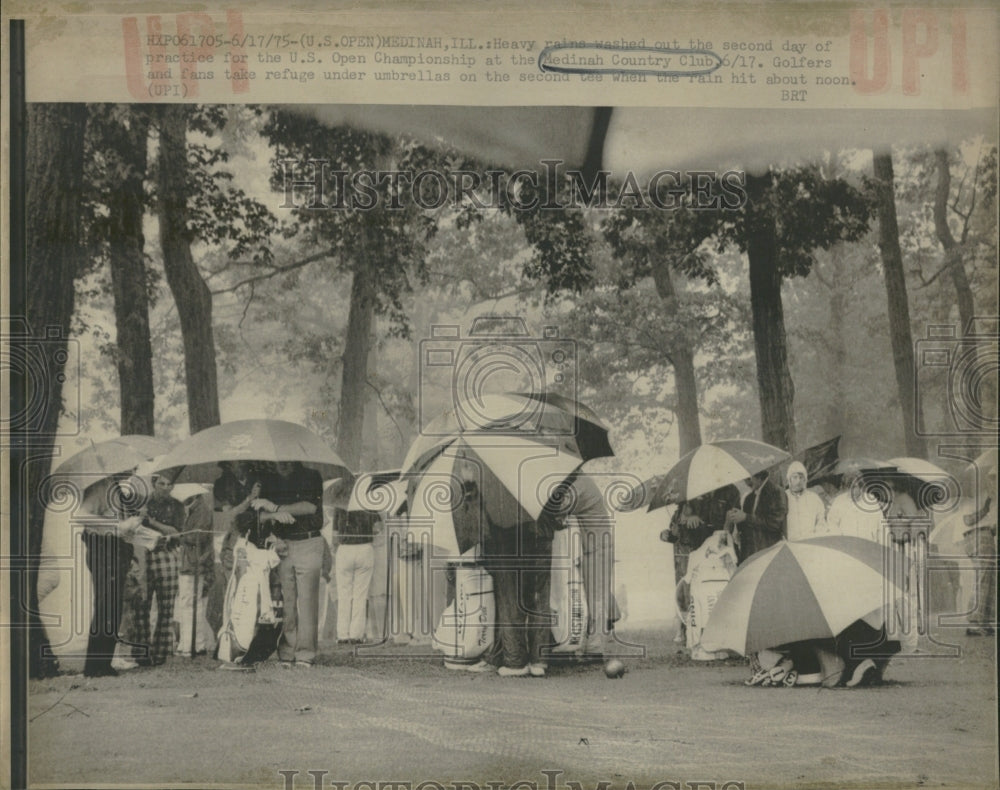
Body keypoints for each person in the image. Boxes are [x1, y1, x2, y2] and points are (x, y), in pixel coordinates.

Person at [254, 460, 325, 667]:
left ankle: (305, 654)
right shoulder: (269, 480)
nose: (282, 464)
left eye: (287, 460)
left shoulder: (311, 475)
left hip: (309, 541)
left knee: (307, 601)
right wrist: (273, 514)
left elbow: (310, 507)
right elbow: (260, 514)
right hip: (282, 545)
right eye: (278, 461)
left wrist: (276, 507)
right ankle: (287, 651)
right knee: (287, 601)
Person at [77, 475, 144, 677]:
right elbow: (81, 515)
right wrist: (119, 526)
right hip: (102, 548)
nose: (133, 470)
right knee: (106, 605)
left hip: (116, 548)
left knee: (113, 607)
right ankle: (95, 665)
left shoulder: (116, 488)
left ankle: (103, 663)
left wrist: (128, 527)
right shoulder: (100, 486)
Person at [664, 484, 740, 643]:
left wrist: (721, 529)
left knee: (722, 592)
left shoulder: (731, 491)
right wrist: (683, 522)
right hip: (695, 552)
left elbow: (731, 523)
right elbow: (676, 528)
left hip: (721, 552)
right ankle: (695, 635)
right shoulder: (691, 493)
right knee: (695, 594)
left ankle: (727, 638)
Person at [132, 472, 184, 666]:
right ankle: (141, 652)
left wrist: (152, 522)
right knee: (141, 603)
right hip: (142, 553)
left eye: (169, 484)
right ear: (154, 483)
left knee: (166, 605)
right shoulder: (141, 502)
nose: (165, 487)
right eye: (161, 483)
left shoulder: (177, 506)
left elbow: (177, 533)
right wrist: (139, 516)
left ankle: (160, 653)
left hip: (166, 553)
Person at [174, 488, 216, 656]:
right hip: (190, 562)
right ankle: (191, 643)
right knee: (190, 604)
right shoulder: (195, 510)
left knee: (190, 604)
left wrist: (178, 535)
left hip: (194, 563)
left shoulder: (202, 511)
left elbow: (196, 538)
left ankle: (193, 644)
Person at [332, 506, 378, 644]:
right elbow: (378, 528)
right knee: (360, 594)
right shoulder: (368, 501)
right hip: (364, 548)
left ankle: (342, 635)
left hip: (345, 549)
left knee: (343, 593)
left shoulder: (339, 504)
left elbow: (334, 536)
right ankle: (356, 635)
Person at [963, 465, 997, 636]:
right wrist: (985, 509)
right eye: (991, 479)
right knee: (983, 576)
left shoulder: (988, 498)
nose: (993, 482)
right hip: (978, 537)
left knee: (989, 577)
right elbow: (968, 520)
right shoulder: (975, 499)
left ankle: (984, 621)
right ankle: (975, 622)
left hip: (986, 536)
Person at [727, 469, 787, 564]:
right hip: (752, 554)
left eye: (749, 479)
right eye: (745, 480)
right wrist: (737, 518)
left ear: (759, 477)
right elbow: (747, 529)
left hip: (769, 553)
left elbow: (775, 524)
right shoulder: (749, 498)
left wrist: (746, 517)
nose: (747, 483)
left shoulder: (776, 492)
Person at [826, 464, 884, 543]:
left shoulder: (871, 500)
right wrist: (841, 541)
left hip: (868, 545)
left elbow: (881, 526)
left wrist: (881, 546)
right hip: (847, 546)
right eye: (850, 487)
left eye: (856, 486)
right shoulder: (839, 501)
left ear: (861, 486)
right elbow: (832, 525)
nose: (853, 490)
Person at [784, 461, 827, 540]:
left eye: (801, 477)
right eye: (795, 477)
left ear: (805, 480)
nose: (798, 481)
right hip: (789, 543)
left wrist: (816, 537)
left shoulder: (814, 498)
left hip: (810, 544)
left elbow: (821, 522)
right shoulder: (783, 497)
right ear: (789, 479)